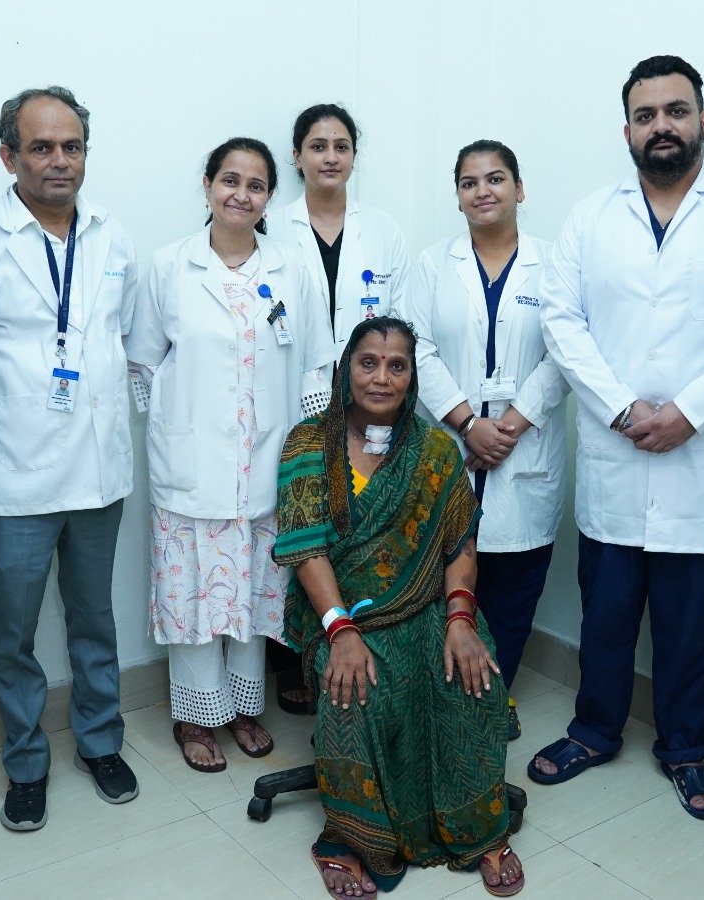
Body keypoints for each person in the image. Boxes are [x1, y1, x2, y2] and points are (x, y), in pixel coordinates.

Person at [533, 55, 704, 822]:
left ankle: (685, 748)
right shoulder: (590, 217)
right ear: (626, 130)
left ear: (703, 121)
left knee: (693, 625)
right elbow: (561, 321)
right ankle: (594, 730)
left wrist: (691, 411)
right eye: (646, 115)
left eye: (676, 111)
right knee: (606, 616)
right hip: (616, 454)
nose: (662, 127)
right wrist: (621, 408)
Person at [275, 316, 525, 898]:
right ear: (347, 369)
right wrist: (341, 631)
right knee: (355, 689)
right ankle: (351, 839)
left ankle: (477, 826)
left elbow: (460, 544)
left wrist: (460, 620)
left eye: (396, 366)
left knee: (471, 676)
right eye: (368, 363)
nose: (381, 378)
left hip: (425, 606)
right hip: (340, 617)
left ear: (412, 377)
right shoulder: (309, 443)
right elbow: (305, 548)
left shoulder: (435, 449)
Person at [0, 86, 144, 831]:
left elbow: (126, 341)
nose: (59, 160)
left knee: (95, 618)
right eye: (41, 147)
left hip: (98, 469)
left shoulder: (112, 235)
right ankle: (26, 762)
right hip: (14, 473)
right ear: (9, 156)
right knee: (15, 631)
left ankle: (100, 742)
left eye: (72, 146)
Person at [130, 137, 331, 772]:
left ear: (269, 196)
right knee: (193, 596)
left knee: (253, 594)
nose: (241, 194)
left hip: (266, 466)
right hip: (191, 467)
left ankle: (244, 708)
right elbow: (143, 363)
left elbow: (315, 363)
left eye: (256, 185)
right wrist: (178, 425)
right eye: (230, 180)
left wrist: (304, 450)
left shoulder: (292, 267)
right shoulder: (169, 266)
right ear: (208, 185)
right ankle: (194, 715)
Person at [401, 139, 568, 742]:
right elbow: (416, 348)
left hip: (525, 452)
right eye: (469, 182)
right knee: (442, 581)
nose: (483, 191)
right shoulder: (431, 265)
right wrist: (469, 423)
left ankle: (496, 698)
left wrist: (512, 424)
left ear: (519, 188)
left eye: (495, 178)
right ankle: (446, 698)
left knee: (515, 589)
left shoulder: (555, 265)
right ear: (458, 197)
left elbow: (566, 351)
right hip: (453, 444)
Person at [268, 103, 411, 714]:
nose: (330, 157)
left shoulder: (383, 229)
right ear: (297, 156)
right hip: (287, 395)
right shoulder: (271, 225)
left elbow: (398, 323)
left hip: (366, 394)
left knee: (355, 518)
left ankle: (357, 638)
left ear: (354, 156)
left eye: (341, 146)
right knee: (297, 519)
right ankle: (293, 656)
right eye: (318, 145)